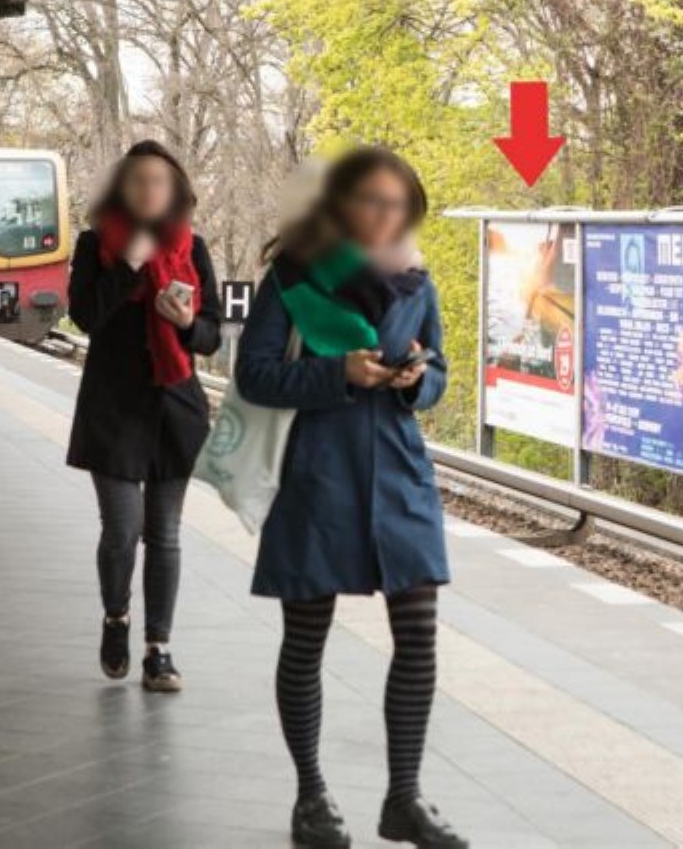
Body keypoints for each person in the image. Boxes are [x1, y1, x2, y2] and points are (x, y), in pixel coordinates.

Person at [236, 147, 468, 849]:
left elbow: (440, 368)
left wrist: (417, 379)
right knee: (306, 639)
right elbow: (254, 375)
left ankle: (405, 798)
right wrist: (339, 373)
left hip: (398, 476)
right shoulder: (296, 276)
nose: (385, 215)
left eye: (398, 205)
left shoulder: (415, 277)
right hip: (317, 478)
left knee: (419, 636)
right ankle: (311, 795)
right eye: (372, 201)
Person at [67, 140, 221, 692]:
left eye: (159, 181)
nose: (149, 190)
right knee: (122, 529)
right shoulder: (95, 244)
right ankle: (116, 617)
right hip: (112, 407)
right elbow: (85, 316)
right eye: (138, 181)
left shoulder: (192, 247)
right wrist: (130, 265)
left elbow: (211, 335)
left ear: (175, 190)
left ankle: (160, 650)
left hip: (174, 405)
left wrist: (185, 323)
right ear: (121, 190)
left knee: (165, 533)